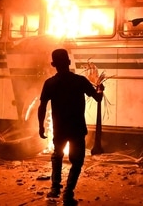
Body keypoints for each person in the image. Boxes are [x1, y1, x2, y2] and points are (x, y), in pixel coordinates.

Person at [38, 48, 104, 205]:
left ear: (53, 64)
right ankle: (68, 193)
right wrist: (100, 89)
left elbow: (42, 107)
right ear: (68, 62)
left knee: (57, 156)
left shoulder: (50, 83)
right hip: (77, 129)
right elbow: (98, 98)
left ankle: (55, 188)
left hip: (60, 130)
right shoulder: (80, 81)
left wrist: (40, 126)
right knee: (77, 161)